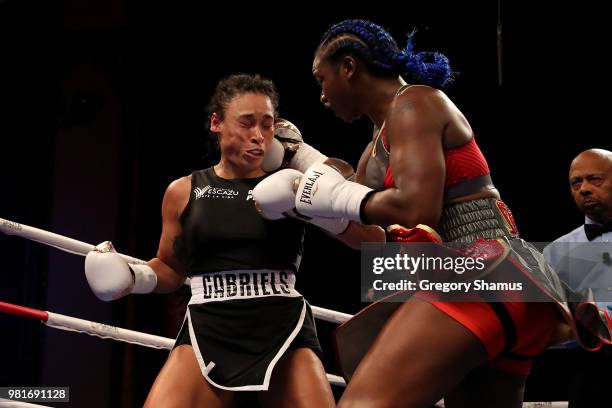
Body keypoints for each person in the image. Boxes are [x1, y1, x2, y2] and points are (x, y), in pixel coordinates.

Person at [256, 19, 612, 407]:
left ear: (348, 67)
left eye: (321, 78)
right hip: (503, 293)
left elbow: (415, 208)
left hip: (478, 274)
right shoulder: (374, 149)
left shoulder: (415, 103)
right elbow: (374, 239)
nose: (321, 95)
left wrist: (334, 193)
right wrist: (306, 197)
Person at [82, 74, 339, 408]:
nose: (258, 136)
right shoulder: (183, 192)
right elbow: (171, 267)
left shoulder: (293, 185)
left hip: (282, 324)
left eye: (267, 125)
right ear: (217, 123)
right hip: (209, 322)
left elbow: (364, 233)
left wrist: (310, 171)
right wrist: (134, 277)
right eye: (246, 123)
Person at [543, 148, 612, 408]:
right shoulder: (556, 252)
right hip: (589, 370)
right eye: (576, 182)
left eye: (595, 179)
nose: (583, 189)